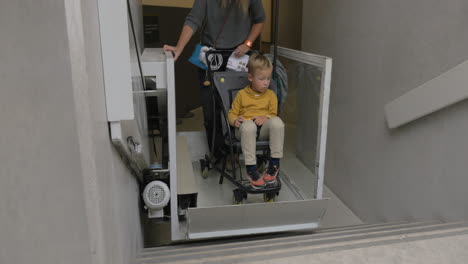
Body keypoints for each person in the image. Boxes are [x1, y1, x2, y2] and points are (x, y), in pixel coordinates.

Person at [163, 0, 265, 160]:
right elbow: (193, 20)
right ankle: (218, 154)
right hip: (211, 56)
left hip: (238, 57)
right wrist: (179, 48)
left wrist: (248, 43)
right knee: (210, 109)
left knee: (238, 107)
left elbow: (259, 20)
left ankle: (237, 153)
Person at [228, 53, 284, 189]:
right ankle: (251, 169)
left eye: (268, 78)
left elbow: (273, 114)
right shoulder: (241, 95)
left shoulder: (271, 95)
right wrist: (235, 120)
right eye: (261, 78)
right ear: (251, 77)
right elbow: (232, 113)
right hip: (244, 130)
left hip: (263, 129)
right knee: (248, 126)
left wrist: (266, 117)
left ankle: (274, 164)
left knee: (277, 122)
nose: (266, 82)